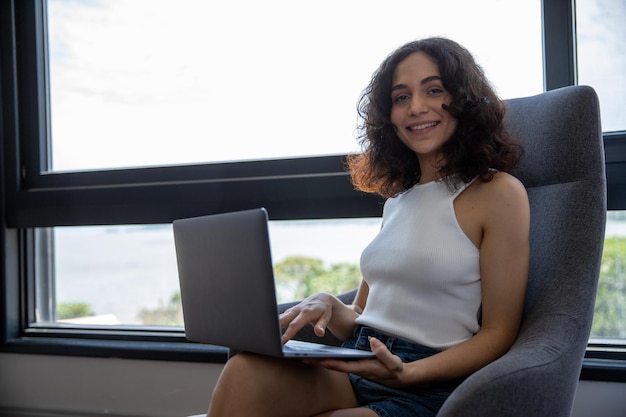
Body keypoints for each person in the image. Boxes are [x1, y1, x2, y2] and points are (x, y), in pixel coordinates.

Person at [206, 37, 530, 417]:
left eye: (434, 90)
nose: (417, 107)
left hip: (427, 382)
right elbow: (363, 312)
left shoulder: (498, 193)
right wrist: (330, 303)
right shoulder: (399, 201)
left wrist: (409, 372)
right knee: (245, 370)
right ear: (389, 116)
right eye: (401, 97)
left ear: (463, 99)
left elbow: (499, 334)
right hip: (360, 359)